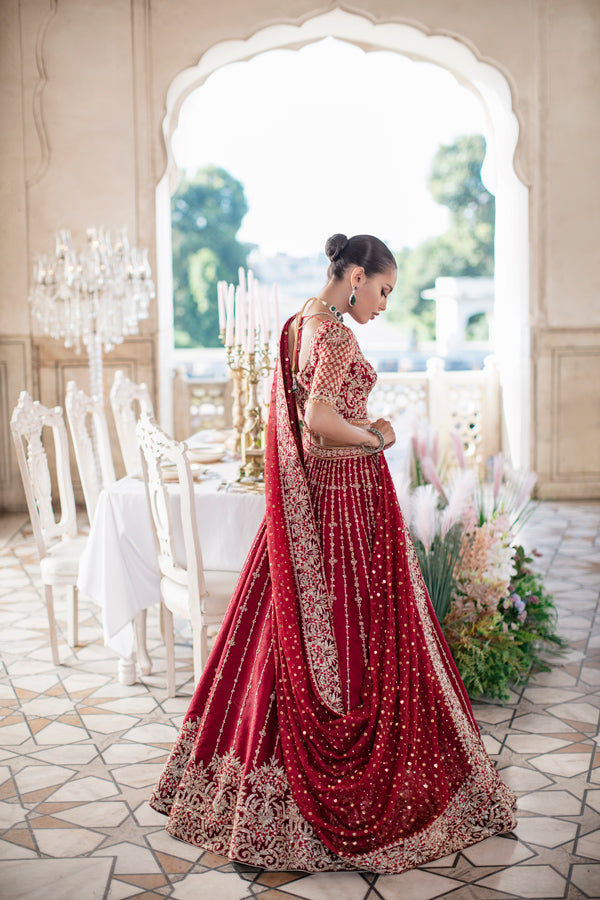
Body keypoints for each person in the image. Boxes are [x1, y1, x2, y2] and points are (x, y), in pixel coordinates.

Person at [149, 233, 516, 873]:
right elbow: (318, 419)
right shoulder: (336, 335)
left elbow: (303, 417)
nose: (383, 304)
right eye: (381, 290)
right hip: (345, 503)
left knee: (281, 630)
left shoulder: (298, 325)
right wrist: (375, 437)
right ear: (353, 275)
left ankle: (252, 787)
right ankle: (337, 789)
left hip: (310, 505)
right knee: (356, 636)